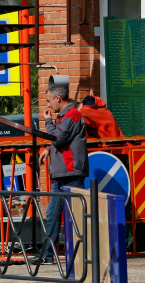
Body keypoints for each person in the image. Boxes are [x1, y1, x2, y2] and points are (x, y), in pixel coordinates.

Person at [30, 85, 88, 264]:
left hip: (70, 172)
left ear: (58, 98)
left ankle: (81, 255)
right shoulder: (66, 115)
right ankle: (48, 255)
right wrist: (48, 149)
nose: (48, 105)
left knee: (75, 215)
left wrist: (47, 122)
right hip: (62, 173)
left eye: (48, 101)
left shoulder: (71, 114)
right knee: (52, 215)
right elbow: (61, 138)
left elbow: (59, 138)